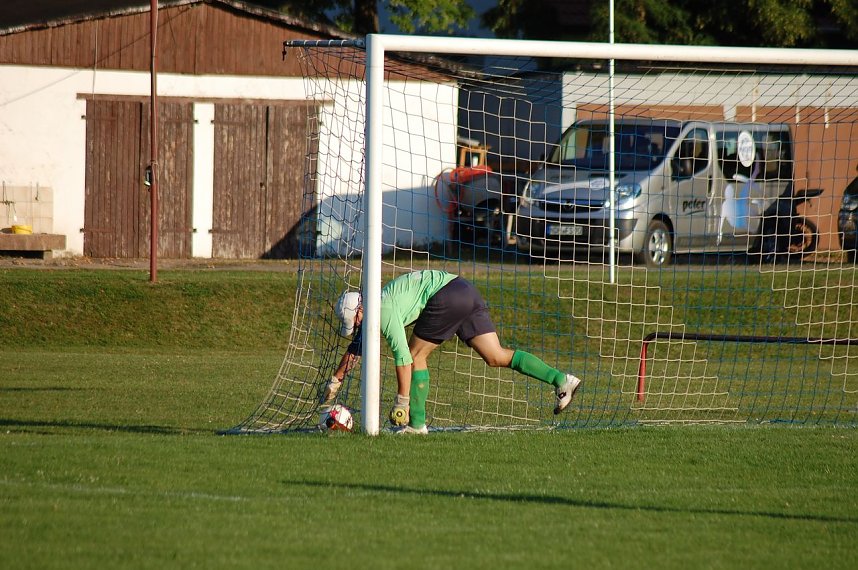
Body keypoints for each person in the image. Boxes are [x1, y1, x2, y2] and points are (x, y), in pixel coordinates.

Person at [324, 269, 582, 434]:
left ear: (360, 311)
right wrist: (336, 379)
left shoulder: (383, 311)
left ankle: (416, 424)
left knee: (415, 356)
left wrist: (401, 401)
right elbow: (358, 345)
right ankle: (561, 380)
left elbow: (402, 358)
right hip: (464, 289)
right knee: (496, 356)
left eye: (355, 322)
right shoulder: (379, 301)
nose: (357, 327)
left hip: (445, 297)